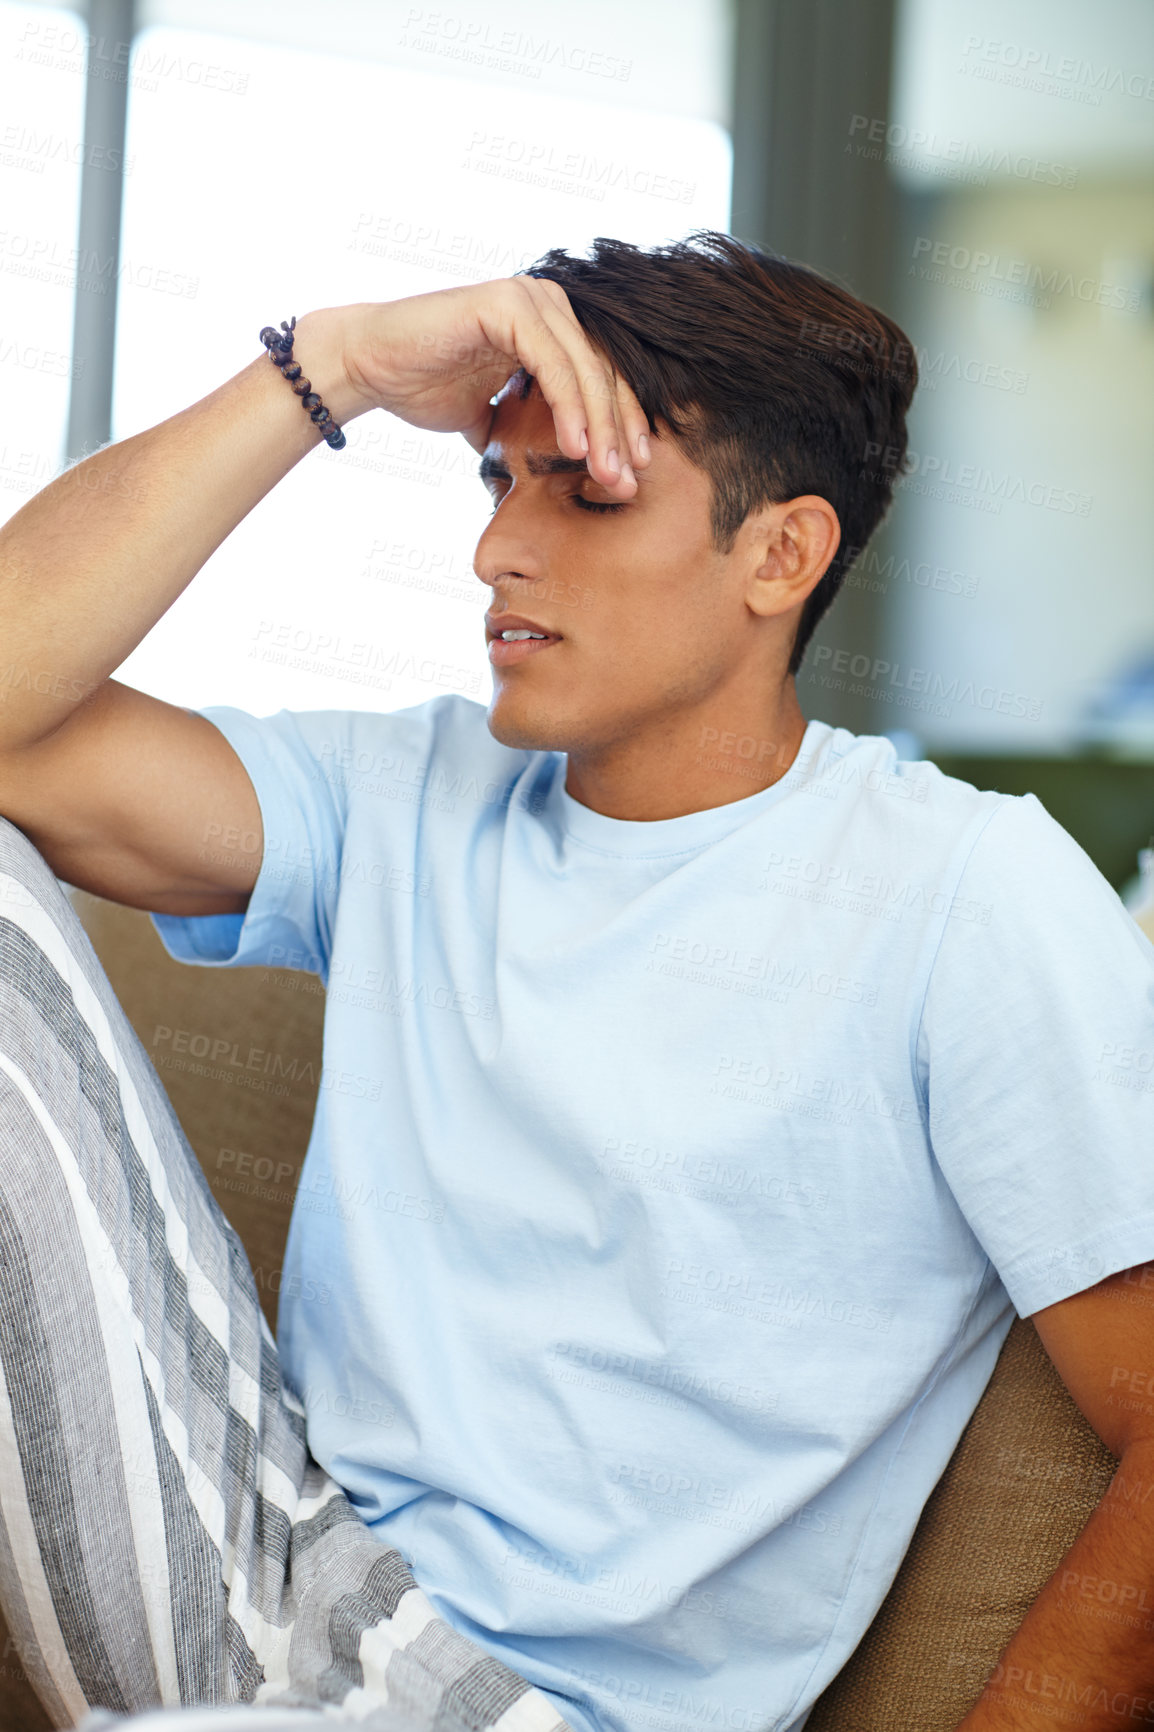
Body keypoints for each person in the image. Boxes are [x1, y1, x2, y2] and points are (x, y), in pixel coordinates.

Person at [0, 231, 1151, 1732]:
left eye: (583, 490)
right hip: (262, 1565)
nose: (496, 552)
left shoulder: (964, 893)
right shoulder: (407, 792)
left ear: (779, 554)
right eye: (499, 482)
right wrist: (325, 369)